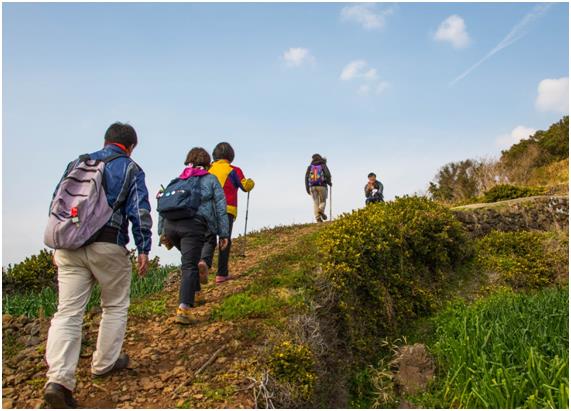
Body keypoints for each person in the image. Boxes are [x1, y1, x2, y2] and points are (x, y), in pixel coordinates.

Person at [44, 122, 152, 409]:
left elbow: (57, 201)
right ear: (130, 146)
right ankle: (104, 363)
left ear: (105, 140)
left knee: (67, 312)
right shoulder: (130, 168)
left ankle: (58, 379)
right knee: (115, 305)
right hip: (108, 244)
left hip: (68, 245)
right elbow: (139, 210)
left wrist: (64, 237)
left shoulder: (78, 163)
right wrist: (144, 248)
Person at [160, 147, 230, 325]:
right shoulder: (210, 179)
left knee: (190, 258)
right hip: (194, 225)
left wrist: (162, 232)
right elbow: (221, 208)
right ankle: (184, 309)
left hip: (171, 226)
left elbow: (162, 203)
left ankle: (197, 294)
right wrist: (224, 233)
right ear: (208, 164)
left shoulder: (178, 179)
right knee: (190, 265)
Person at [199, 142, 255, 284]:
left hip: (207, 209)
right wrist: (251, 183)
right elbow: (245, 186)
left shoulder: (208, 168)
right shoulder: (234, 170)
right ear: (231, 156)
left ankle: (205, 262)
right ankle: (221, 274)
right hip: (227, 209)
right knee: (224, 240)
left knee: (209, 238)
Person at [305, 153, 332, 223]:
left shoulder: (310, 167)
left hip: (312, 187)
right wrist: (329, 182)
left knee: (315, 202)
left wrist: (307, 188)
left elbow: (306, 177)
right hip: (322, 186)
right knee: (323, 201)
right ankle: (320, 209)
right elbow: (328, 174)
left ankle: (318, 218)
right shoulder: (323, 165)